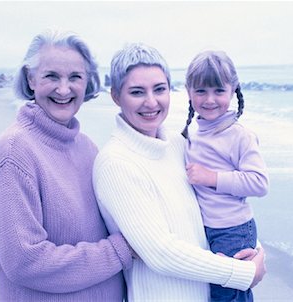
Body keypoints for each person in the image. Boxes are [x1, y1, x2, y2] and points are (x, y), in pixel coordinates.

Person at [93, 43, 266, 301]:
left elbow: (217, 207)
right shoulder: (116, 163)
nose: (151, 102)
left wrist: (254, 251)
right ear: (116, 96)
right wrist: (242, 272)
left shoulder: (178, 144)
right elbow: (161, 253)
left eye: (159, 89)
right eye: (137, 92)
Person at [0, 30, 133, 301]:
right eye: (51, 76)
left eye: (75, 77)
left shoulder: (88, 148)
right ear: (31, 79)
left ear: (88, 82)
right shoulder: (15, 151)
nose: (64, 89)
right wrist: (118, 251)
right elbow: (25, 262)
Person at [181, 50, 269, 302]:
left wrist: (212, 177)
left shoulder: (239, 135)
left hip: (233, 230)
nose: (210, 99)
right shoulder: (193, 134)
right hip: (207, 229)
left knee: (228, 297)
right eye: (201, 91)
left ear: (233, 91)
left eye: (219, 91)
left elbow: (259, 183)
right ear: (188, 91)